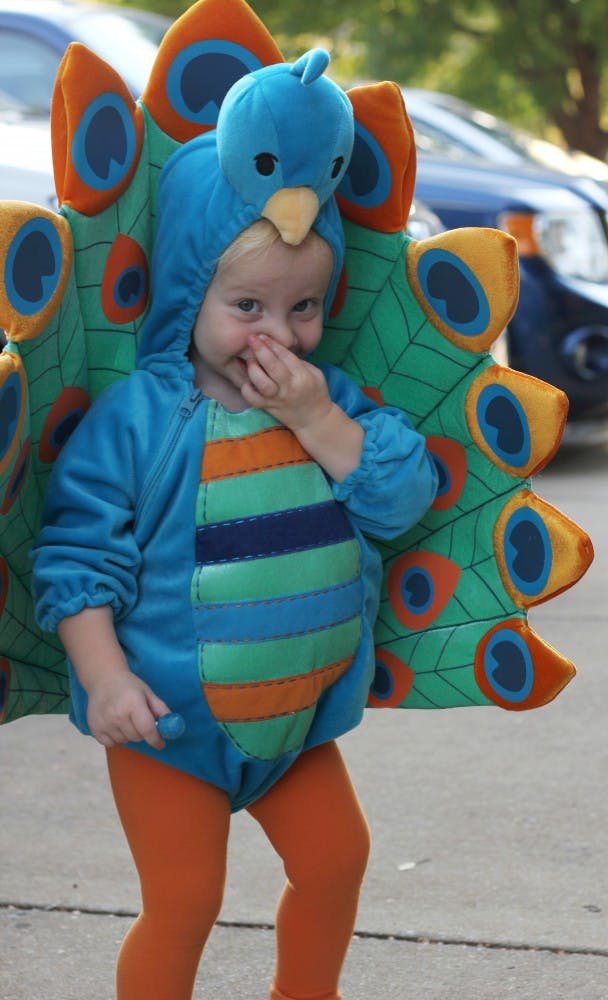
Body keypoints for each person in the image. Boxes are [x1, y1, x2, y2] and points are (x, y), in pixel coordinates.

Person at [31, 97, 437, 997]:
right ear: (189, 290)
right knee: (185, 900)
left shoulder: (329, 401)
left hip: (294, 727)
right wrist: (104, 678)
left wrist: (318, 416)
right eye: (245, 303)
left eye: (303, 307)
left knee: (336, 862)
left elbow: (401, 497)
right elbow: (77, 558)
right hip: (167, 726)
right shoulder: (138, 419)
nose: (276, 333)